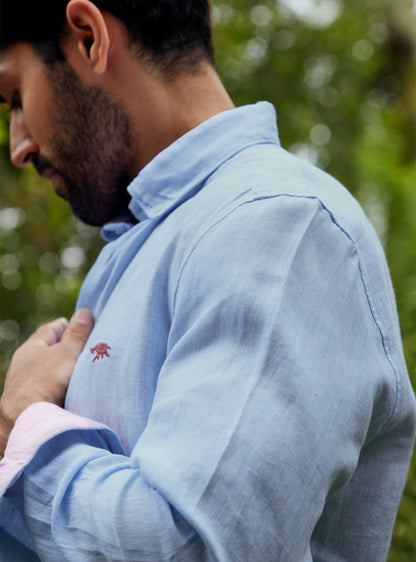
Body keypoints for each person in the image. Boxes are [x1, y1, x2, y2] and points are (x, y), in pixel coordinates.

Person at [0, 1, 415, 560]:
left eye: (16, 97)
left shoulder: (278, 223)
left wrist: (25, 427)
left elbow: (190, 547)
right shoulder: (128, 258)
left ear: (89, 37)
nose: (18, 146)